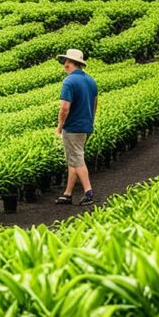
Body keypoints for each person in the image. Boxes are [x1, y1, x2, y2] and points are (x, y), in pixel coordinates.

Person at [54, 48, 99, 206]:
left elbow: (64, 108)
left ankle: (88, 192)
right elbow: (95, 103)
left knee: (77, 159)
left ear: (71, 64)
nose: (64, 64)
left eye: (66, 61)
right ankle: (67, 194)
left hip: (73, 127)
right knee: (74, 159)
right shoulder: (90, 80)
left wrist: (60, 126)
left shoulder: (69, 81)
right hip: (86, 126)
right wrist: (90, 121)